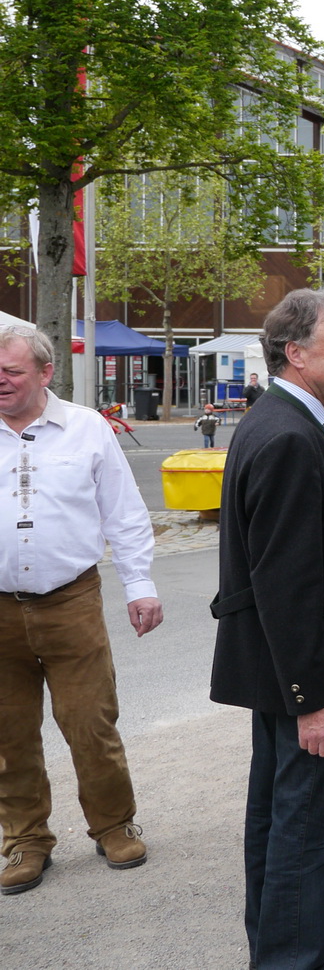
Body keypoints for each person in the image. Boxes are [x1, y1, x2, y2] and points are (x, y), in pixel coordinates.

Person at [210, 289, 324, 967]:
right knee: (305, 820)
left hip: (287, 665)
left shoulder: (292, 421)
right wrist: (313, 697)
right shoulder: (288, 434)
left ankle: (292, 924)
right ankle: (289, 951)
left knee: (280, 811)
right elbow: (286, 583)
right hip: (307, 673)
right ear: (295, 353)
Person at [0, 325, 160, 896]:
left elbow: (123, 511)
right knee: (8, 735)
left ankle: (114, 824)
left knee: (91, 722)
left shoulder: (86, 429)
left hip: (70, 600)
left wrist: (139, 584)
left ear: (45, 373)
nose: (1, 379)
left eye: (12, 371)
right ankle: (25, 840)